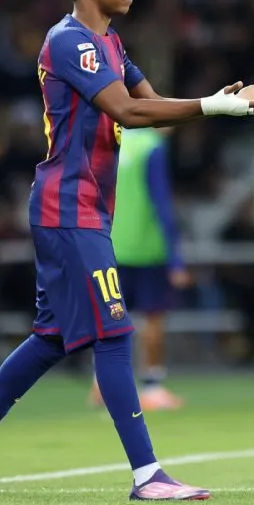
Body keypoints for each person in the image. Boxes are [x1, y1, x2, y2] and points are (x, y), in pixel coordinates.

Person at [0, 0, 254, 502]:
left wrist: (226, 104)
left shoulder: (111, 43)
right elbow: (126, 110)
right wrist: (209, 107)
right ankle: (147, 475)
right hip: (67, 205)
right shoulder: (71, 41)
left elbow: (153, 106)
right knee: (116, 330)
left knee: (52, 337)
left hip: (86, 208)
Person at [105, 127, 190, 411]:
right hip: (146, 247)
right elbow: (161, 202)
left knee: (111, 320)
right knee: (153, 319)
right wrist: (176, 258)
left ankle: (102, 384)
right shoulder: (152, 146)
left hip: (110, 244)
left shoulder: (114, 138)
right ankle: (152, 386)